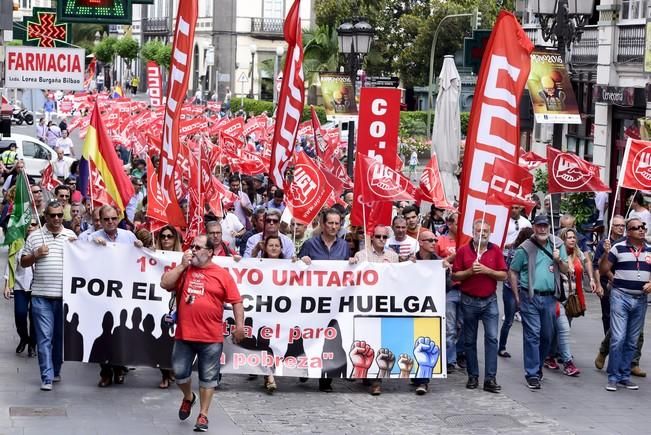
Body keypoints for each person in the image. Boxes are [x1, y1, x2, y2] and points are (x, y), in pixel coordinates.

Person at [161, 234, 245, 433]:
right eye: (192, 247)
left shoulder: (221, 274)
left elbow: (236, 301)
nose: (193, 250)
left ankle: (203, 414)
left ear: (210, 252)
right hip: (185, 335)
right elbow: (165, 283)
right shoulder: (184, 269)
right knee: (180, 373)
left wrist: (239, 325)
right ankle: (188, 397)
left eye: (198, 248)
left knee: (208, 378)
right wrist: (182, 266)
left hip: (210, 337)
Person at [21, 200, 77, 390]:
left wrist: (78, 248)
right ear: (45, 216)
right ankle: (46, 376)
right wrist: (36, 254)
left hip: (64, 298)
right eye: (52, 215)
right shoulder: (35, 237)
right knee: (44, 337)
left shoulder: (70, 236)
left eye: (59, 215)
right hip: (41, 296)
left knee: (59, 339)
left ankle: (56, 370)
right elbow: (23, 262)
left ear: (63, 216)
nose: (56, 218)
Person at [508, 214, 569, 390]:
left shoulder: (558, 244)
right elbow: (513, 271)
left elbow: (567, 269)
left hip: (550, 297)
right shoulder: (524, 248)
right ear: (534, 227)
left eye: (545, 226)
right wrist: (517, 294)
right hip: (530, 296)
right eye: (539, 226)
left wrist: (559, 260)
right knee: (532, 335)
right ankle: (532, 373)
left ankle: (538, 365)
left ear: (549, 227)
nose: (542, 229)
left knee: (547, 336)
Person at [452, 220, 507, 394]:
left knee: (492, 338)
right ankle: (473, 375)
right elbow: (455, 275)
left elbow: (503, 275)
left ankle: (490, 378)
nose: (482, 233)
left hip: (490, 300)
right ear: (473, 232)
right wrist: (470, 272)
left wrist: (486, 271)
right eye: (479, 230)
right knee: (470, 340)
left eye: (485, 231)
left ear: (490, 233)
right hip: (469, 301)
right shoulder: (463, 251)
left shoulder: (495, 250)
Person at [298, 209, 350, 392]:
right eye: (330, 223)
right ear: (322, 223)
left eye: (337, 223)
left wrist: (355, 262)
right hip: (313, 301)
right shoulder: (310, 244)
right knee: (311, 335)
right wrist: (301, 261)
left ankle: (325, 379)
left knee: (330, 338)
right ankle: (305, 366)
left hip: (334, 302)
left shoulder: (344, 246)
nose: (334, 227)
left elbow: (348, 271)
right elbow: (297, 269)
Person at [91, 205, 143, 387]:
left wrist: (139, 247)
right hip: (101, 294)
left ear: (118, 218)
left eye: (114, 218)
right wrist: (91, 247)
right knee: (102, 331)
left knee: (121, 330)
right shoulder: (91, 237)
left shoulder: (128, 236)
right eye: (106, 219)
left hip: (123, 294)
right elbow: (76, 250)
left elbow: (140, 259)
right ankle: (105, 372)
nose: (110, 222)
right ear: (101, 220)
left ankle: (119, 367)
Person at [599, 217, 651, 391]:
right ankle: (613, 377)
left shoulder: (649, 249)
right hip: (621, 297)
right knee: (619, 338)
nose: (642, 230)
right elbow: (604, 269)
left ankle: (624, 375)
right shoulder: (618, 247)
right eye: (637, 228)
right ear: (629, 232)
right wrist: (606, 253)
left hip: (641, 299)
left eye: (643, 227)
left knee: (632, 340)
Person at [349, 224, 398, 395]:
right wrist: (352, 264)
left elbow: (398, 278)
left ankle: (376, 381)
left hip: (384, 304)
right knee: (365, 341)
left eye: (384, 237)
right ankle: (365, 373)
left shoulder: (393, 256)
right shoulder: (361, 255)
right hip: (364, 305)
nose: (381, 240)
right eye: (378, 237)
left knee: (380, 340)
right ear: (371, 237)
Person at [411, 229, 449, 395]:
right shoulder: (411, 260)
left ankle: (423, 381)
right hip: (410, 307)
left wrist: (446, 272)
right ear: (420, 242)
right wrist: (406, 266)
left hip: (429, 308)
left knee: (425, 342)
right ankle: (414, 374)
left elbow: (447, 287)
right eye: (430, 240)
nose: (434, 243)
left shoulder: (439, 262)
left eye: (435, 240)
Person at [4, 218, 39, 357]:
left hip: (38, 285)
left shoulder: (42, 241)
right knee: (20, 314)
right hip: (20, 285)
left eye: (34, 224)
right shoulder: (17, 242)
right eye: (28, 224)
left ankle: (33, 344)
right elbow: (11, 263)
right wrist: (7, 284)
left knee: (35, 316)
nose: (30, 226)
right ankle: (24, 338)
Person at [154, 225, 183, 389]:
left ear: (175, 239)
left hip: (177, 304)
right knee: (163, 338)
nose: (166, 239)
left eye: (169, 236)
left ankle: (172, 368)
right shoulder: (153, 255)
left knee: (176, 340)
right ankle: (164, 374)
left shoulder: (183, 257)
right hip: (156, 303)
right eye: (163, 236)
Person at [499, 227, 533, 359]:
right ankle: (502, 347)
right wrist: (517, 295)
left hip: (526, 288)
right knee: (508, 320)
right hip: (511, 289)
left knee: (528, 322)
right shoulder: (516, 251)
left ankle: (529, 348)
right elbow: (510, 272)